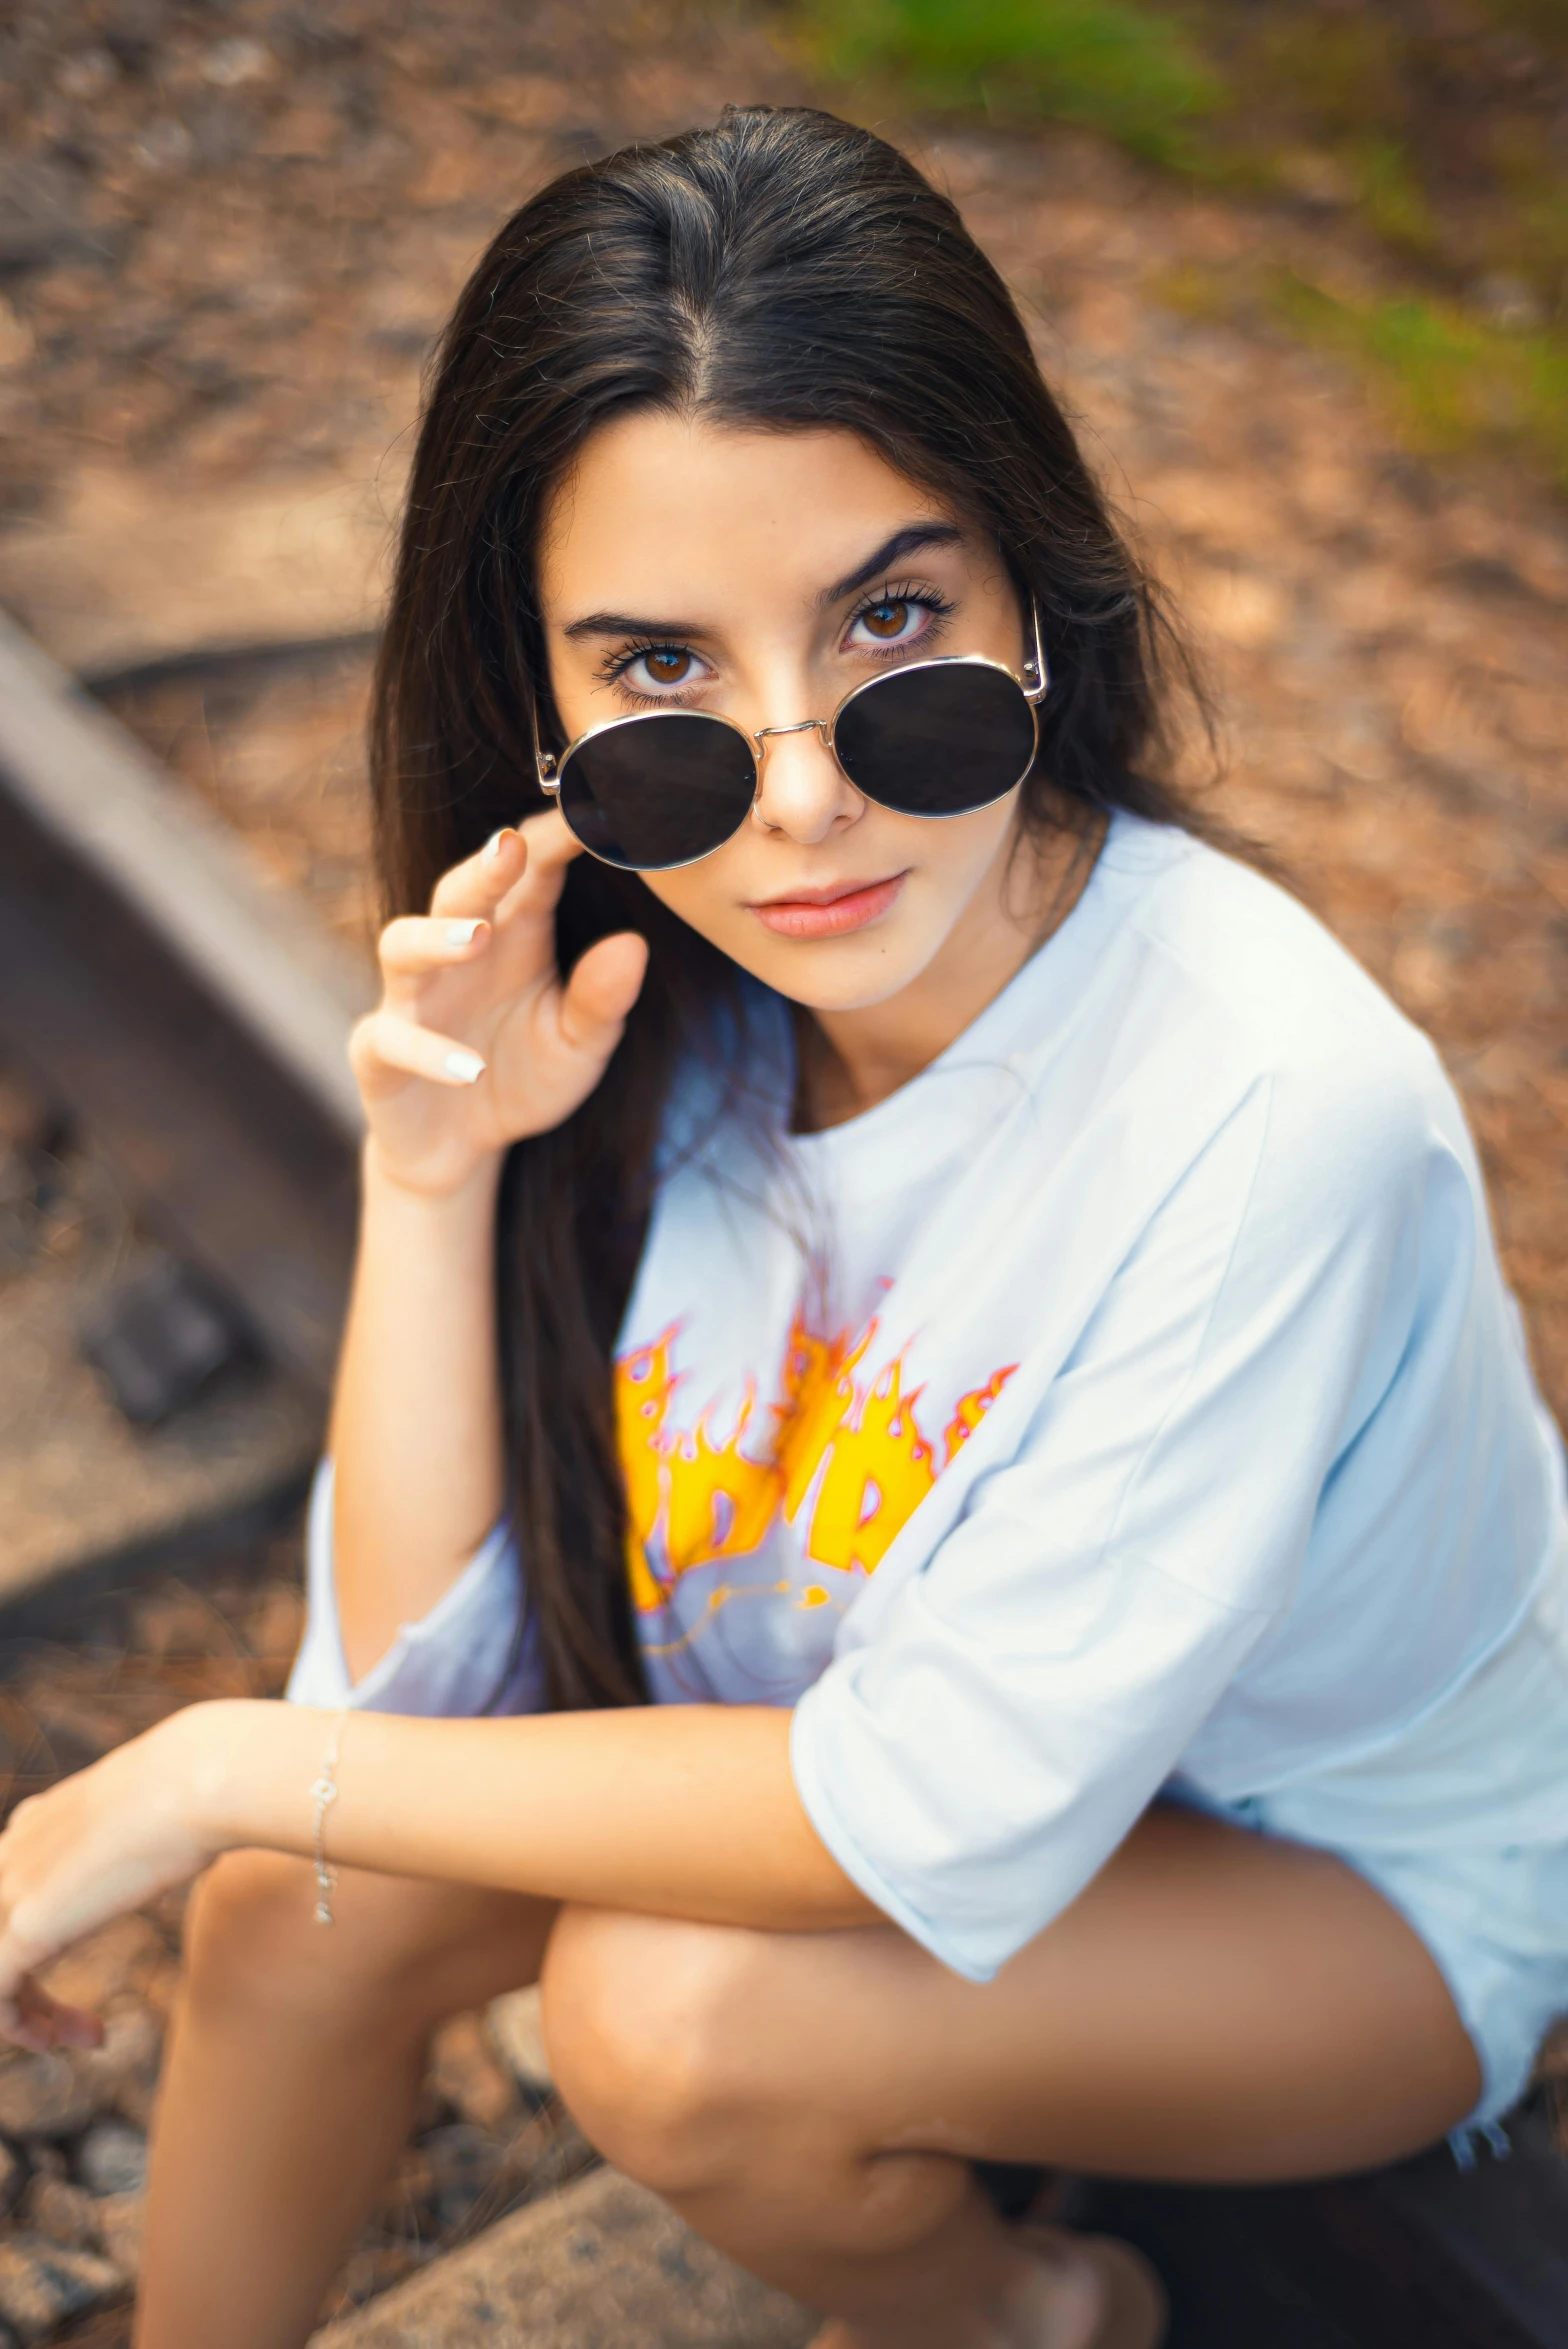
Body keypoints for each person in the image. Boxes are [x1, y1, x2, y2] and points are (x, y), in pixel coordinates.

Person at [0, 105, 1564, 2349]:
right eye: (660, 680)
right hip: (956, 1764)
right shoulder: (678, 994)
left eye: (892, 622)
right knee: (289, 1909)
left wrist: (220, 1749)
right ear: (533, 703)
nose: (805, 790)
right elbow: (423, 1683)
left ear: (1040, 591)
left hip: (1343, 1893)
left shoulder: (1262, 1113)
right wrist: (436, 1175)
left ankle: (1032, 2312)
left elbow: (903, 1808)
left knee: (668, 2018)